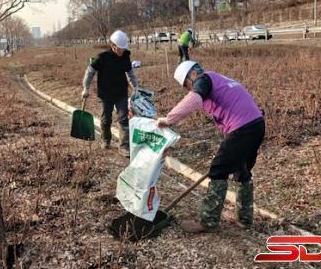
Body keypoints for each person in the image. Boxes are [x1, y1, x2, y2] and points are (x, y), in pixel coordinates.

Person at [157, 61, 265, 233]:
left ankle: (208, 221)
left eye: (187, 85)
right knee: (242, 171)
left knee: (218, 170)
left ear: (192, 75)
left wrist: (169, 119)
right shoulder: (219, 79)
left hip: (243, 128)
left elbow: (193, 99)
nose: (189, 89)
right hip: (256, 125)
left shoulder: (203, 79)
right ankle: (245, 219)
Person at [81, 30, 139, 157]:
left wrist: (136, 87)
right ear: (113, 45)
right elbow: (90, 72)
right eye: (120, 48)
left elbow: (130, 73)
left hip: (121, 93)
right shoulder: (102, 57)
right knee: (106, 119)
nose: (122, 50)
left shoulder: (125, 57)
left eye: (124, 48)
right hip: (105, 94)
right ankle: (106, 139)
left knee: (124, 118)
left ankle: (124, 147)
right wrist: (86, 88)